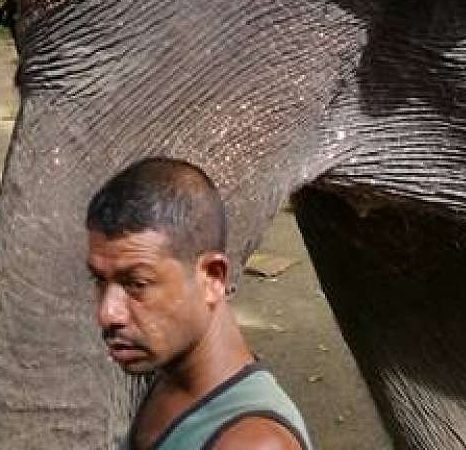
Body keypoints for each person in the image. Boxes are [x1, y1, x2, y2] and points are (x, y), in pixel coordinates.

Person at [86, 157, 313, 450]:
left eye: (137, 284)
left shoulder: (252, 444)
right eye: (99, 280)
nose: (107, 313)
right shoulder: (170, 373)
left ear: (212, 277)